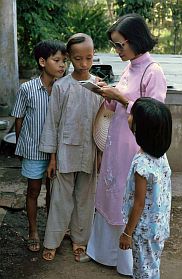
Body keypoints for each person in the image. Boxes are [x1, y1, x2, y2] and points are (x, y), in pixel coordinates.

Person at [86, 13, 167, 276]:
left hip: (134, 145)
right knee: (110, 190)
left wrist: (120, 97)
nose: (117, 50)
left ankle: (126, 261)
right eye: (115, 45)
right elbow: (119, 105)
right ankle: (104, 252)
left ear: (136, 41)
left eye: (120, 45)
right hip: (116, 141)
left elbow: (153, 115)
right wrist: (104, 92)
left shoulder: (152, 71)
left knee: (127, 194)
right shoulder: (130, 66)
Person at [39, 33, 103, 261]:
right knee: (60, 197)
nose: (84, 64)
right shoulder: (61, 86)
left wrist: (101, 154)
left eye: (88, 58)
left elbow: (103, 123)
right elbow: (52, 122)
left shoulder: (98, 87)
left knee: (86, 197)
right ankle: (52, 241)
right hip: (65, 150)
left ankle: (80, 240)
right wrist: (52, 157)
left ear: (94, 55)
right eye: (77, 59)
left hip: (89, 150)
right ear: (69, 58)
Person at [11, 40, 67, 252]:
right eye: (57, 60)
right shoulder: (27, 89)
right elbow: (19, 119)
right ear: (43, 62)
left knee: (54, 191)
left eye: (64, 61)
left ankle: (53, 231)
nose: (62, 65)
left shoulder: (63, 88)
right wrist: (20, 146)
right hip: (34, 150)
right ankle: (33, 230)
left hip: (57, 152)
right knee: (33, 190)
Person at [120, 97, 172, 279]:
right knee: (151, 267)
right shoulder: (160, 154)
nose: (129, 116)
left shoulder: (142, 163)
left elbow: (139, 204)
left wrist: (127, 233)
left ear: (141, 128)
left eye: (133, 115)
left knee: (143, 272)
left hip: (143, 231)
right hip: (158, 226)